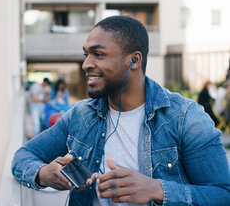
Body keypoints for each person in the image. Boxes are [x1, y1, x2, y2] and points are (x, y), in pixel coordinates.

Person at [12, 16, 230, 205]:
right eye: (86, 54)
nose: (86, 64)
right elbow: (23, 156)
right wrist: (43, 174)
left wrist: (156, 190)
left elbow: (223, 194)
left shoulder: (185, 118)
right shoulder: (80, 115)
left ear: (134, 60)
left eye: (98, 54)